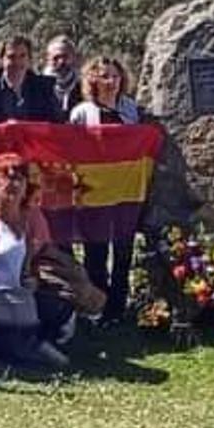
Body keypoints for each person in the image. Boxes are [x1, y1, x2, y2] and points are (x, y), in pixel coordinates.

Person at [0, 152, 70, 368]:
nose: (13, 183)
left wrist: (34, 278)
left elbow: (43, 255)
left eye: (19, 178)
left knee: (60, 301)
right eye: (6, 177)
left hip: (21, 294)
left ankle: (34, 343)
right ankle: (23, 349)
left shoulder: (31, 217)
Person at [69, 56, 141, 323]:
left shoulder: (131, 111)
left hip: (125, 194)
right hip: (93, 194)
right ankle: (97, 306)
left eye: (115, 76)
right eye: (104, 76)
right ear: (93, 81)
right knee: (96, 254)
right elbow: (72, 151)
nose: (111, 82)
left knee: (123, 253)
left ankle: (118, 309)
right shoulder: (81, 113)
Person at [0, 35, 59, 126]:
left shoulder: (44, 89)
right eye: (11, 57)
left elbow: (57, 125)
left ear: (29, 59)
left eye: (22, 56)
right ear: (1, 60)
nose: (17, 62)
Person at [43, 35, 83, 122]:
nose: (61, 62)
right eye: (56, 58)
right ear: (48, 59)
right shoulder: (38, 88)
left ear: (74, 58)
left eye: (65, 57)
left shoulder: (85, 89)